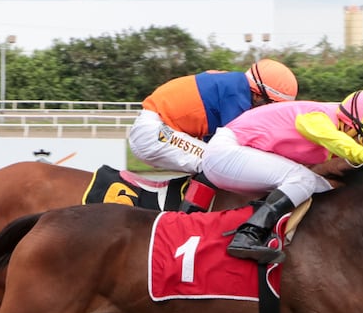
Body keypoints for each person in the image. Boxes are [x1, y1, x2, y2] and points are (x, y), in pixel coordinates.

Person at [198, 89, 363, 264]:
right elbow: (338, 142)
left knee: (321, 185)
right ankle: (247, 236)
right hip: (225, 152)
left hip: (235, 156)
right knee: (302, 179)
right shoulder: (319, 117)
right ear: (349, 126)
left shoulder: (333, 128)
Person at [127, 58, 298, 213]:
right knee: (216, 163)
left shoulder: (234, 84)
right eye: (270, 106)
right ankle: (186, 220)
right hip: (154, 132)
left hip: (159, 127)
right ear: (257, 94)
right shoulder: (236, 93)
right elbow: (242, 148)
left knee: (218, 159)